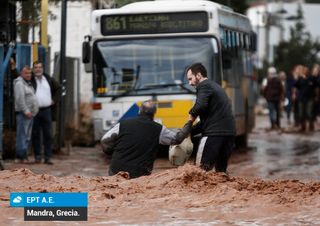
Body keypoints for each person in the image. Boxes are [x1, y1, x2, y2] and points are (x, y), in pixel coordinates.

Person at [100, 100, 193, 179]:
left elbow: (105, 141)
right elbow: (177, 139)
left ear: (140, 110)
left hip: (116, 170)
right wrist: (190, 122)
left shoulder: (123, 124)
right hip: (140, 174)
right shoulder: (159, 129)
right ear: (154, 113)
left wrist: (110, 153)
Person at [186, 63, 235, 173]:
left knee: (200, 171)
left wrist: (190, 120)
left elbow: (199, 106)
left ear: (198, 75)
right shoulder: (215, 86)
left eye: (190, 79)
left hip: (213, 135)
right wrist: (190, 131)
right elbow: (208, 121)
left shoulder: (203, 86)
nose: (190, 83)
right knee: (220, 172)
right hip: (229, 134)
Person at [31, 61, 61, 164]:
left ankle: (48, 157)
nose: (38, 69)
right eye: (36, 67)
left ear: (43, 68)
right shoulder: (30, 79)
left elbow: (59, 89)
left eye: (39, 67)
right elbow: (18, 78)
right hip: (35, 111)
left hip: (47, 111)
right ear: (33, 69)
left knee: (48, 134)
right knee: (35, 134)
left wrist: (54, 100)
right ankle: (37, 156)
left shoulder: (48, 79)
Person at [14, 66, 39, 163]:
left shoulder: (28, 83)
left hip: (30, 115)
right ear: (21, 73)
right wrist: (26, 111)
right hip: (24, 114)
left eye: (29, 73)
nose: (28, 75)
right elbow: (20, 100)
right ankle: (20, 156)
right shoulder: (19, 84)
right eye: (26, 73)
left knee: (27, 136)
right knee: (22, 135)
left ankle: (24, 156)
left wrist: (33, 112)